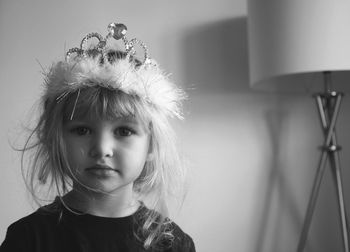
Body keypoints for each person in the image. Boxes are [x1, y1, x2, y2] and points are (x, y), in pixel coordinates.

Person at [0, 22, 195, 252]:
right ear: (57, 138)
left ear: (151, 143)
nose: (102, 149)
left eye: (124, 131)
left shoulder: (172, 244)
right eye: (82, 130)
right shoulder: (27, 239)